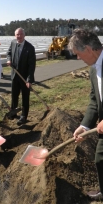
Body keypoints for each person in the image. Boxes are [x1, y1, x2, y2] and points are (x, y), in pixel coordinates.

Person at [68, 29, 103, 201]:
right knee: (100, 160)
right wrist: (84, 125)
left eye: (78, 54)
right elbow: (94, 101)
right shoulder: (92, 70)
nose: (78, 58)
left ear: (88, 49)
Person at [6, 28, 36, 126]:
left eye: (20, 34)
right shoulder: (13, 43)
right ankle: (14, 113)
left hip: (24, 77)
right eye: (17, 34)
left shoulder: (30, 48)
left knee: (25, 97)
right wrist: (9, 59)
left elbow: (32, 65)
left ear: (24, 35)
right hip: (15, 75)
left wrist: (29, 79)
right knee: (14, 95)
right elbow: (9, 53)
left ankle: (24, 116)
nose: (18, 36)